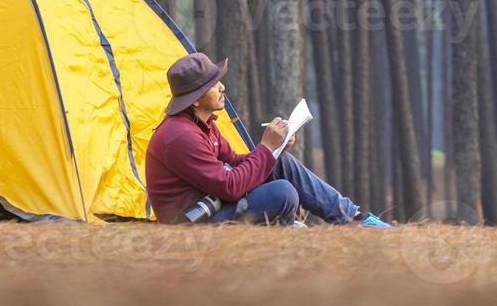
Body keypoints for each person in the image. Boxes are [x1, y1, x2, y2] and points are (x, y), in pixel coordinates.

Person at [144, 51, 392, 227]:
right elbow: (230, 187)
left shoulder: (203, 124)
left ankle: (353, 219)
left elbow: (235, 161)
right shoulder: (181, 137)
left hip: (214, 204)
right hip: (193, 223)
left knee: (280, 163)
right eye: (213, 84)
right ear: (196, 100)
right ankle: (283, 239)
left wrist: (276, 149)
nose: (222, 87)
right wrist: (266, 147)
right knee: (282, 193)